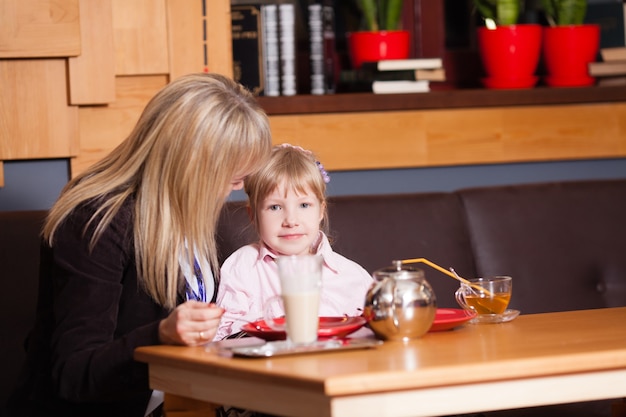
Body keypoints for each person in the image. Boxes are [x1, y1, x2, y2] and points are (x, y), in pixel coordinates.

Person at [6, 73, 272, 417]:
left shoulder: (187, 214)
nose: (233, 190)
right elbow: (73, 374)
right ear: (190, 164)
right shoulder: (95, 221)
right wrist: (162, 334)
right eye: (230, 177)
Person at [214, 144, 373, 341]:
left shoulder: (352, 276)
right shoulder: (243, 267)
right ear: (253, 214)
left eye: (304, 205)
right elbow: (223, 339)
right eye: (275, 207)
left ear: (321, 211)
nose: (291, 220)